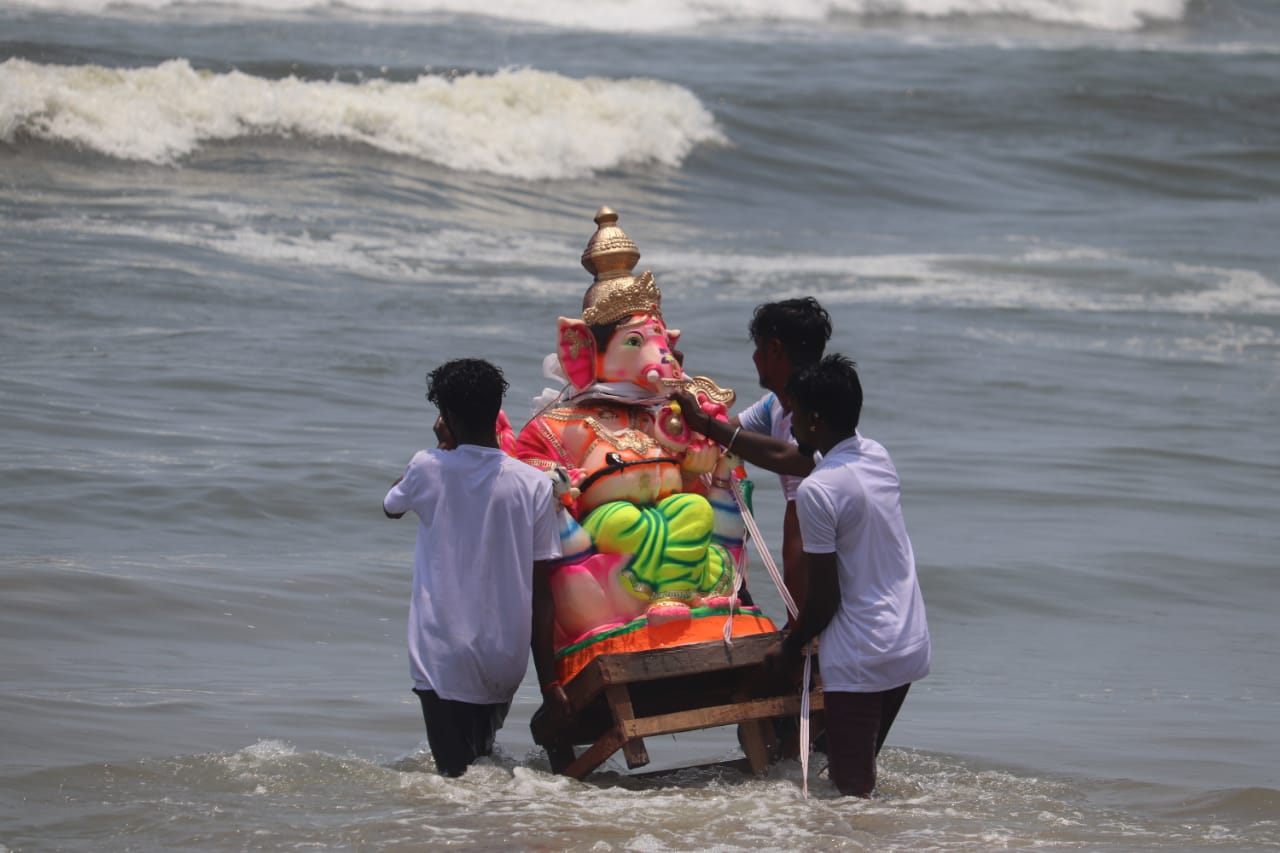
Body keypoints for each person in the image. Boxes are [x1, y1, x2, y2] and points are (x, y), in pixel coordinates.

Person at [383, 358, 566, 777]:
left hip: (442, 658)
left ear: (444, 418)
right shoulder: (535, 484)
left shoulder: (427, 466)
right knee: (480, 764)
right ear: (497, 408)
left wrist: (442, 450)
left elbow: (391, 505)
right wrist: (550, 683)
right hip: (505, 661)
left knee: (456, 782)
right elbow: (543, 593)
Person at [768, 354, 930, 797]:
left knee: (851, 790)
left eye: (795, 414)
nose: (791, 424)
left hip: (863, 652)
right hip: (908, 640)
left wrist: (790, 647)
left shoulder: (818, 489)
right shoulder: (876, 454)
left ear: (815, 419)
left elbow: (824, 597)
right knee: (849, 772)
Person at [731, 297, 832, 613]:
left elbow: (796, 459)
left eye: (759, 348)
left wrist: (800, 628)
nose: (754, 357)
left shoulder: (820, 407)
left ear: (775, 349)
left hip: (819, 542)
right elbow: (730, 431)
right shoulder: (773, 405)